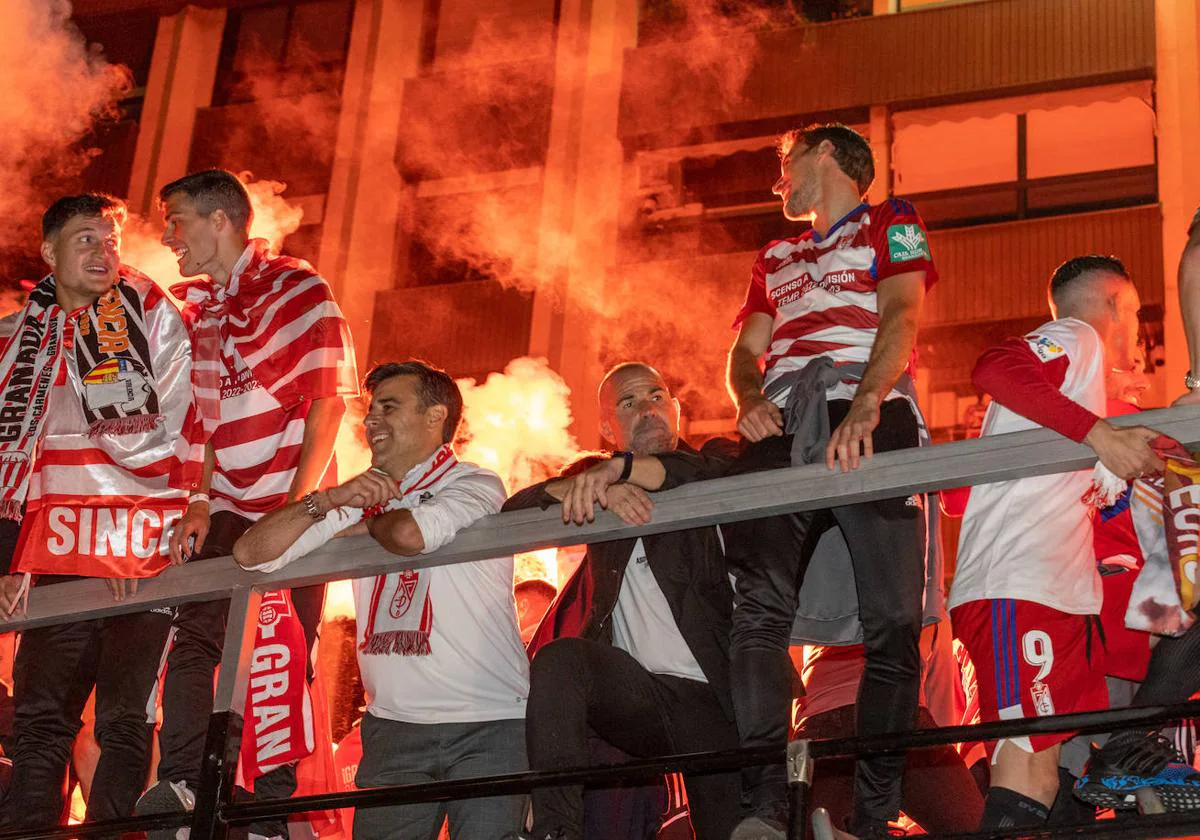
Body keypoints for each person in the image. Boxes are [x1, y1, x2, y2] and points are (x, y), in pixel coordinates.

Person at [721, 123, 937, 839]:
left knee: (893, 621)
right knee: (755, 613)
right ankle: (761, 809)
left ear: (824, 156)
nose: (776, 181)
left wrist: (870, 403)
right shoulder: (773, 254)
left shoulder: (891, 221)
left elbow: (903, 313)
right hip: (782, 416)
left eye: (783, 163)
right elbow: (745, 352)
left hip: (866, 403)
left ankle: (873, 817)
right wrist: (749, 400)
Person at [135, 170, 358, 839]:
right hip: (226, 498)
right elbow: (200, 420)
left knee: (284, 641)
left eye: (177, 221)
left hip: (294, 493)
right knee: (194, 632)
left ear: (221, 220)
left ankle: (269, 808)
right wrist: (200, 499)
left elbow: (328, 400)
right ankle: (181, 779)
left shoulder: (298, 287)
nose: (170, 237)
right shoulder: (198, 311)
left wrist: (298, 509)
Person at [234, 360, 529, 840]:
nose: (371, 422)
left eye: (389, 408)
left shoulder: (476, 483)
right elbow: (250, 555)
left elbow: (411, 534)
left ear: (436, 418)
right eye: (371, 412)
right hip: (392, 729)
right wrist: (328, 502)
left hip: (492, 723)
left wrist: (367, 513)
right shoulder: (356, 493)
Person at [0, 194, 200, 830]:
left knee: (124, 718)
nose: (103, 251)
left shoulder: (152, 317)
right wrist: (5, 562)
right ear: (49, 252)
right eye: (86, 239)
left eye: (111, 240)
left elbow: (179, 433)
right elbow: (9, 458)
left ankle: (115, 833)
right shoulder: (13, 337)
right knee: (38, 721)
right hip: (49, 551)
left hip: (137, 555)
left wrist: (129, 538)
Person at [949, 255, 1165, 829]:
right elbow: (995, 366)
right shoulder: (1078, 337)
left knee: (1048, 781)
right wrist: (1100, 435)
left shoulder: (1083, 391)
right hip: (1019, 588)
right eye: (1136, 313)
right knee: (1028, 773)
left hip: (1057, 599)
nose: (1137, 333)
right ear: (1115, 304)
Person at [503, 362, 741, 840]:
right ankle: (556, 832)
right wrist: (600, 489)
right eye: (628, 403)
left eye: (656, 396)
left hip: (722, 699)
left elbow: (693, 470)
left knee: (732, 830)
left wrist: (621, 473)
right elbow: (515, 509)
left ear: (675, 409)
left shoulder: (716, 460)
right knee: (561, 660)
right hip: (645, 699)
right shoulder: (601, 481)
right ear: (607, 428)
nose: (648, 409)